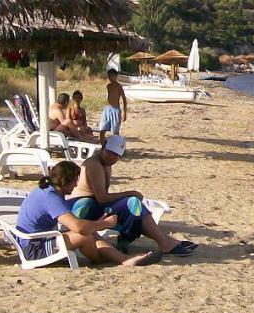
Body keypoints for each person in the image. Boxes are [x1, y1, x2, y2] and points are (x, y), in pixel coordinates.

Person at [69, 135, 197, 257]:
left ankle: (164, 240)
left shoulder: (106, 164)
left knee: (134, 206)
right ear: (103, 147)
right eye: (109, 152)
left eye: (115, 155)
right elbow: (102, 198)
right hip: (82, 207)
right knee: (132, 203)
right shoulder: (94, 164)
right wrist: (130, 193)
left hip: (94, 204)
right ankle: (162, 241)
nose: (111, 157)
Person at [14, 161, 159, 266]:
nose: (77, 185)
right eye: (75, 181)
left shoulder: (46, 190)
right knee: (86, 236)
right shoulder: (51, 198)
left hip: (34, 240)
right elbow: (79, 228)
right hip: (34, 249)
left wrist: (96, 225)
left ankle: (124, 260)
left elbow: (76, 223)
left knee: (92, 232)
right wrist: (103, 224)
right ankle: (101, 259)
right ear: (65, 181)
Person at [98, 69, 128, 144]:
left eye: (112, 76)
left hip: (115, 109)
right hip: (107, 108)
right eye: (109, 76)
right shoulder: (108, 86)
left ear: (116, 76)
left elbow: (124, 99)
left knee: (115, 131)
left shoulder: (119, 86)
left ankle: (116, 148)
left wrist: (124, 113)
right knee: (102, 129)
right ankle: (103, 146)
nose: (110, 78)